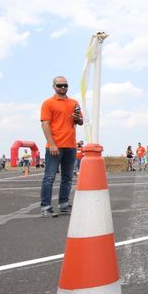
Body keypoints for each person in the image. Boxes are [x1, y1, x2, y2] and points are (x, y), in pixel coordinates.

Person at [40, 76, 83, 218]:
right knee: (49, 178)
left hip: (71, 146)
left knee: (67, 177)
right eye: (60, 85)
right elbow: (45, 125)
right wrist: (52, 144)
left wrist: (77, 118)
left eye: (65, 85)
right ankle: (46, 206)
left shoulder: (74, 103)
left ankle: (63, 204)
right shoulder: (48, 103)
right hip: (55, 146)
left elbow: (81, 121)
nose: (63, 87)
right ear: (54, 86)